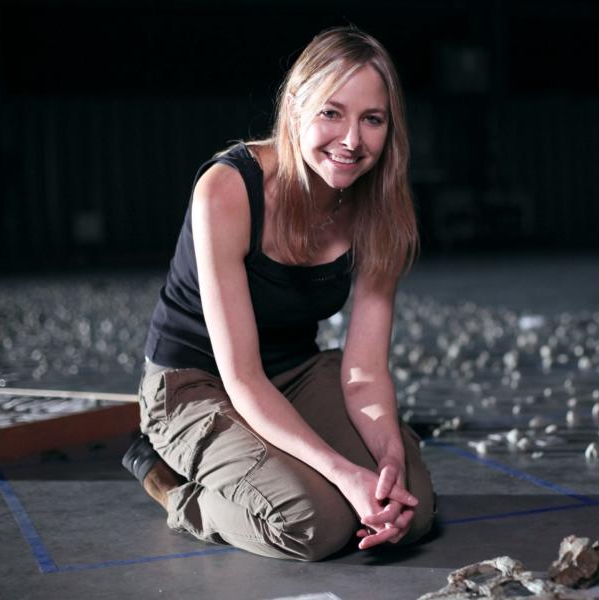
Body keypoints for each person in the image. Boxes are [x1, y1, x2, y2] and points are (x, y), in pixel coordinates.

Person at [122, 26, 435, 561]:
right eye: (331, 113)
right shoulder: (227, 189)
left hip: (295, 372)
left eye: (372, 119)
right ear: (294, 106)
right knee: (316, 523)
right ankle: (171, 483)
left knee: (414, 508)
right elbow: (241, 376)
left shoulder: (379, 208)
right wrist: (343, 473)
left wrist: (388, 465)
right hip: (198, 384)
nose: (352, 140)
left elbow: (363, 372)